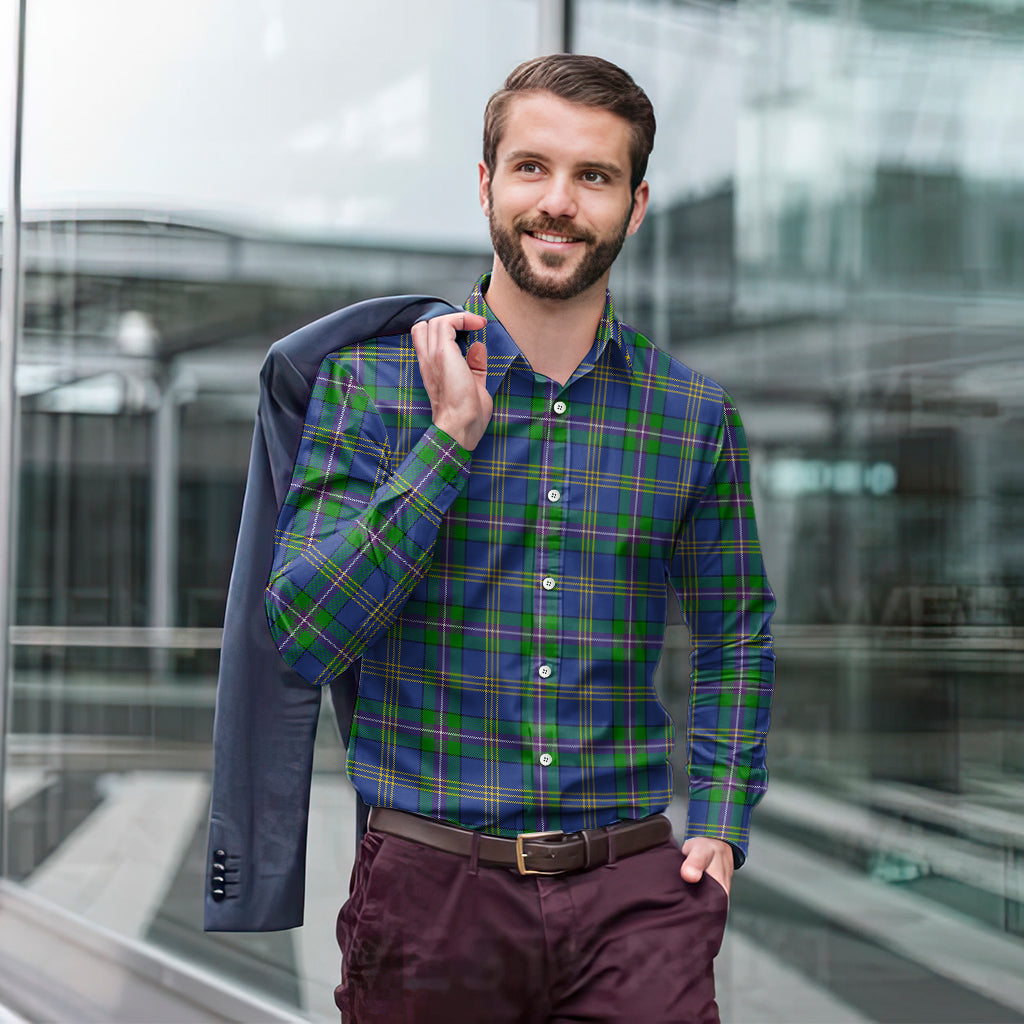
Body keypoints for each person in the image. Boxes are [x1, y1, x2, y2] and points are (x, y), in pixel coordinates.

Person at [264, 53, 775, 1024]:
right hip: (432, 895)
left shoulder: (690, 416)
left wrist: (718, 815)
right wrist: (449, 439)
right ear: (487, 182)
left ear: (636, 202)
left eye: (595, 176)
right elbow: (303, 633)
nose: (559, 202)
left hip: (634, 896)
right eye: (533, 167)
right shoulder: (371, 390)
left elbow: (735, 629)